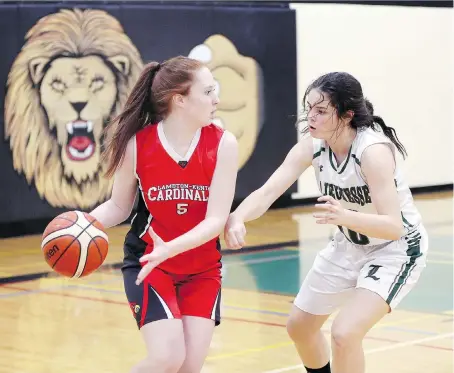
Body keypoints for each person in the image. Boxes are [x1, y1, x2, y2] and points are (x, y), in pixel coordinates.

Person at [224, 72, 427, 373]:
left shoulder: (372, 153)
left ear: (346, 114)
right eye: (309, 109)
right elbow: (268, 191)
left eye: (320, 111)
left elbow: (393, 226)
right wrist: (237, 216)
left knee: (345, 333)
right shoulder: (312, 147)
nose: (311, 118)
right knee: (300, 327)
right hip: (349, 245)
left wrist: (345, 217)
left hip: (394, 250)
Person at [89, 55, 238, 373]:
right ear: (180, 99)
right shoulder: (138, 145)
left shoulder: (223, 144)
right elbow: (119, 206)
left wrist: (172, 247)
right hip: (150, 265)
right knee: (168, 357)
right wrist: (84, 225)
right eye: (209, 92)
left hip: (202, 271)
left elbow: (215, 221)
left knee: (189, 367)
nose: (217, 99)